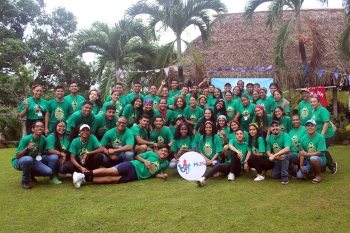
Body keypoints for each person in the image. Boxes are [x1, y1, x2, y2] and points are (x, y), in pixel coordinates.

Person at [72, 144, 170, 188]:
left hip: (135, 176)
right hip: (132, 166)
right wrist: (145, 161)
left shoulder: (165, 163)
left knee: (110, 180)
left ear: (167, 154)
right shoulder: (151, 154)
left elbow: (155, 173)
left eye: (165, 151)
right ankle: (82, 174)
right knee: (109, 171)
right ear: (158, 151)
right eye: (161, 150)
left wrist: (162, 176)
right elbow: (137, 156)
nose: (163, 152)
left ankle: (84, 180)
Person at [11, 121, 60, 189]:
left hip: (34, 160)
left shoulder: (43, 139)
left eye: (41, 126)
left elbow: (49, 146)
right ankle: (25, 181)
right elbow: (17, 156)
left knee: (48, 171)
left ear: (43, 129)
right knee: (28, 159)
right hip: (19, 161)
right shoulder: (26, 139)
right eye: (37, 126)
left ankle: (31, 174)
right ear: (33, 129)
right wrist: (27, 148)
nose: (39, 128)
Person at [310, 96, 337, 174]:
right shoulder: (313, 111)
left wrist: (322, 134)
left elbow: (326, 122)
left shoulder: (322, 110)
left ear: (319, 102)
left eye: (314, 101)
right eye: (311, 102)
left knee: (322, 150)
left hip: (327, 134)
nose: (312, 103)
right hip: (318, 134)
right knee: (320, 150)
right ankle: (323, 167)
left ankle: (332, 165)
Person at [266, 120, 298, 184]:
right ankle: (292, 169)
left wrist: (274, 156)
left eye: (276, 126)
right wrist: (276, 157)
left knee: (284, 156)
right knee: (274, 175)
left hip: (292, 154)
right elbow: (268, 151)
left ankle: (284, 177)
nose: (275, 128)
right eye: (272, 126)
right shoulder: (268, 138)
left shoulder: (285, 135)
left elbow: (287, 149)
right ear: (270, 128)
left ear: (280, 127)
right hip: (279, 157)